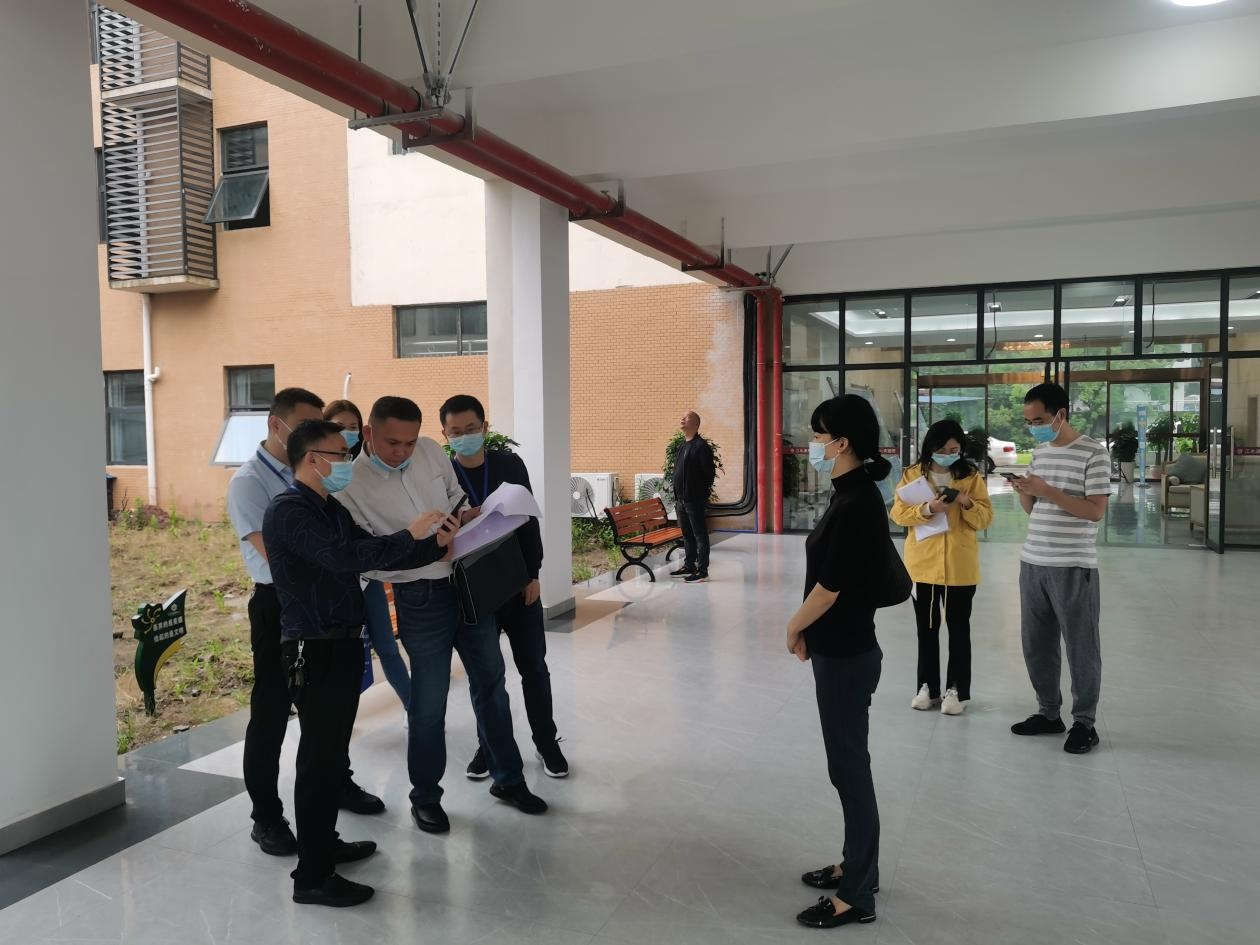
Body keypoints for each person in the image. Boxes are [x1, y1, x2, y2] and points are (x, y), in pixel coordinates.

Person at [263, 420, 459, 907]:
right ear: (313, 459)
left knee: (332, 757)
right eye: (341, 453)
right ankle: (312, 877)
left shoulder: (328, 507)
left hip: (344, 642)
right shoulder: (289, 510)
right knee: (318, 760)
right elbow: (343, 556)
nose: (348, 462)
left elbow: (369, 553)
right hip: (314, 646)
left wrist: (430, 543)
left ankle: (323, 843)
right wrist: (409, 536)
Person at [338, 396, 547, 834]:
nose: (403, 451)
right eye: (393, 443)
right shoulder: (351, 485)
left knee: (491, 684)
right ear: (369, 433)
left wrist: (470, 516)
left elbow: (455, 497)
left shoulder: (431, 451)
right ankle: (426, 797)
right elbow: (369, 560)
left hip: (467, 582)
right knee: (429, 704)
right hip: (420, 598)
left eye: (410, 442)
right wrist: (426, 547)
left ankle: (508, 779)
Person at [226, 388, 384, 860]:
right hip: (281, 606)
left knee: (328, 717)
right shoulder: (250, 482)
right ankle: (267, 817)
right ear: (276, 426)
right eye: (305, 425)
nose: (318, 433)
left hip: (328, 608)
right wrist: (346, 561)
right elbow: (282, 556)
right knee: (272, 713)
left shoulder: (322, 474)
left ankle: (334, 791)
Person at [787, 394, 891, 930]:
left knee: (849, 769)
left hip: (847, 653)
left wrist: (794, 625)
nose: (813, 444)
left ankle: (857, 895)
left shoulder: (857, 503)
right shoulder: (850, 493)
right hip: (840, 648)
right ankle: (857, 866)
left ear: (842, 442)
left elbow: (829, 588)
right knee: (846, 766)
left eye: (819, 435)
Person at [439, 394, 570, 781]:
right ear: (444, 433)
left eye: (470, 429)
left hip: (517, 583)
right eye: (455, 432)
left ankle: (546, 741)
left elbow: (528, 520)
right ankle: (490, 744)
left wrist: (534, 573)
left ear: (484, 427)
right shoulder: (443, 476)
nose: (464, 437)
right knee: (486, 678)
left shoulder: (508, 464)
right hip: (475, 592)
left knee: (534, 668)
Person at [1009, 382, 1110, 754]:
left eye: (1038, 420)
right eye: (1029, 421)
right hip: (1033, 561)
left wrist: (1047, 490)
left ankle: (1084, 723)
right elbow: (1033, 510)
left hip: (1073, 565)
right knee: (1036, 645)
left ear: (1061, 415)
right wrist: (1025, 490)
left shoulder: (1094, 454)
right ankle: (1049, 713)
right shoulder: (1039, 453)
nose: (1033, 427)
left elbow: (1095, 511)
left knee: (1081, 647)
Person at [890, 419, 993, 716]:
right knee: (927, 629)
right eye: (942, 449)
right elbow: (898, 513)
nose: (948, 455)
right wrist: (928, 509)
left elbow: (985, 518)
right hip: (923, 567)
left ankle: (956, 690)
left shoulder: (970, 477)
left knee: (959, 630)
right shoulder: (913, 475)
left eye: (954, 450)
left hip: (960, 566)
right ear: (930, 447)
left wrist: (965, 501)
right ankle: (927, 687)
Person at [325, 398, 410, 710]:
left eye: (352, 427)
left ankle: (414, 709)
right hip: (336, 582)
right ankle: (338, 722)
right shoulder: (321, 473)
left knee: (387, 646)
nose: (346, 434)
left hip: (368, 575)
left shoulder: (364, 470)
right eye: (338, 427)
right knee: (340, 656)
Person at [670, 410, 717, 583]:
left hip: (694, 500)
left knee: (700, 535)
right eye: (682, 417)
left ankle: (702, 571)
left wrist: (698, 494)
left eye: (687, 417)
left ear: (695, 424)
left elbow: (709, 475)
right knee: (687, 535)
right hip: (681, 500)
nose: (682, 419)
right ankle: (689, 565)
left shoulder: (700, 446)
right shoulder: (683, 446)